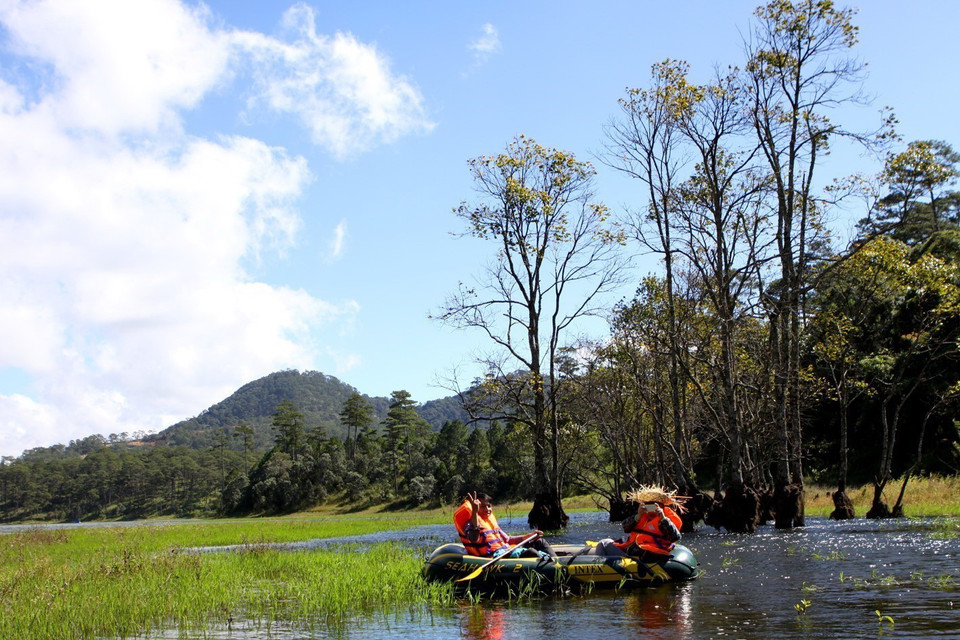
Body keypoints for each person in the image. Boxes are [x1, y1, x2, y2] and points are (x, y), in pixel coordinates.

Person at [453, 491, 558, 560]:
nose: (487, 509)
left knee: (540, 542)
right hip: (496, 556)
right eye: (482, 507)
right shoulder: (471, 522)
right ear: (475, 507)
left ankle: (557, 563)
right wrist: (475, 513)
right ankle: (551, 568)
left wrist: (530, 536)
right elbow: (473, 539)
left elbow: (508, 540)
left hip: (507, 550)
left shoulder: (490, 522)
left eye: (489, 506)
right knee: (531, 553)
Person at [591, 485, 685, 558]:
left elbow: (675, 537)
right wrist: (638, 516)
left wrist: (663, 519)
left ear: (661, 506)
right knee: (605, 542)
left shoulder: (668, 518)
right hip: (633, 551)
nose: (650, 509)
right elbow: (625, 527)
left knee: (604, 544)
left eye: (654, 506)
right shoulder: (642, 515)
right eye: (648, 506)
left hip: (649, 555)